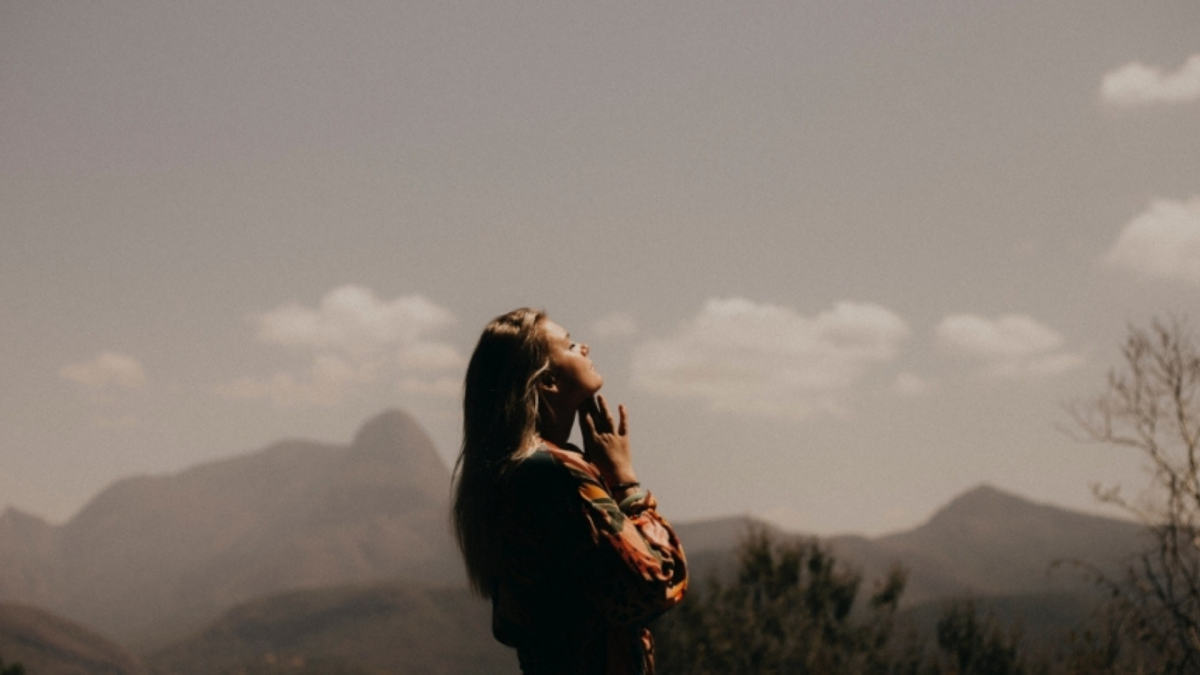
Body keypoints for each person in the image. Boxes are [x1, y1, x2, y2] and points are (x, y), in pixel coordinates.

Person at [452, 308, 688, 675]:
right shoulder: (552, 473)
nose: (585, 346)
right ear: (547, 381)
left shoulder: (516, 474)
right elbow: (655, 585)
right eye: (571, 344)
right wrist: (624, 481)